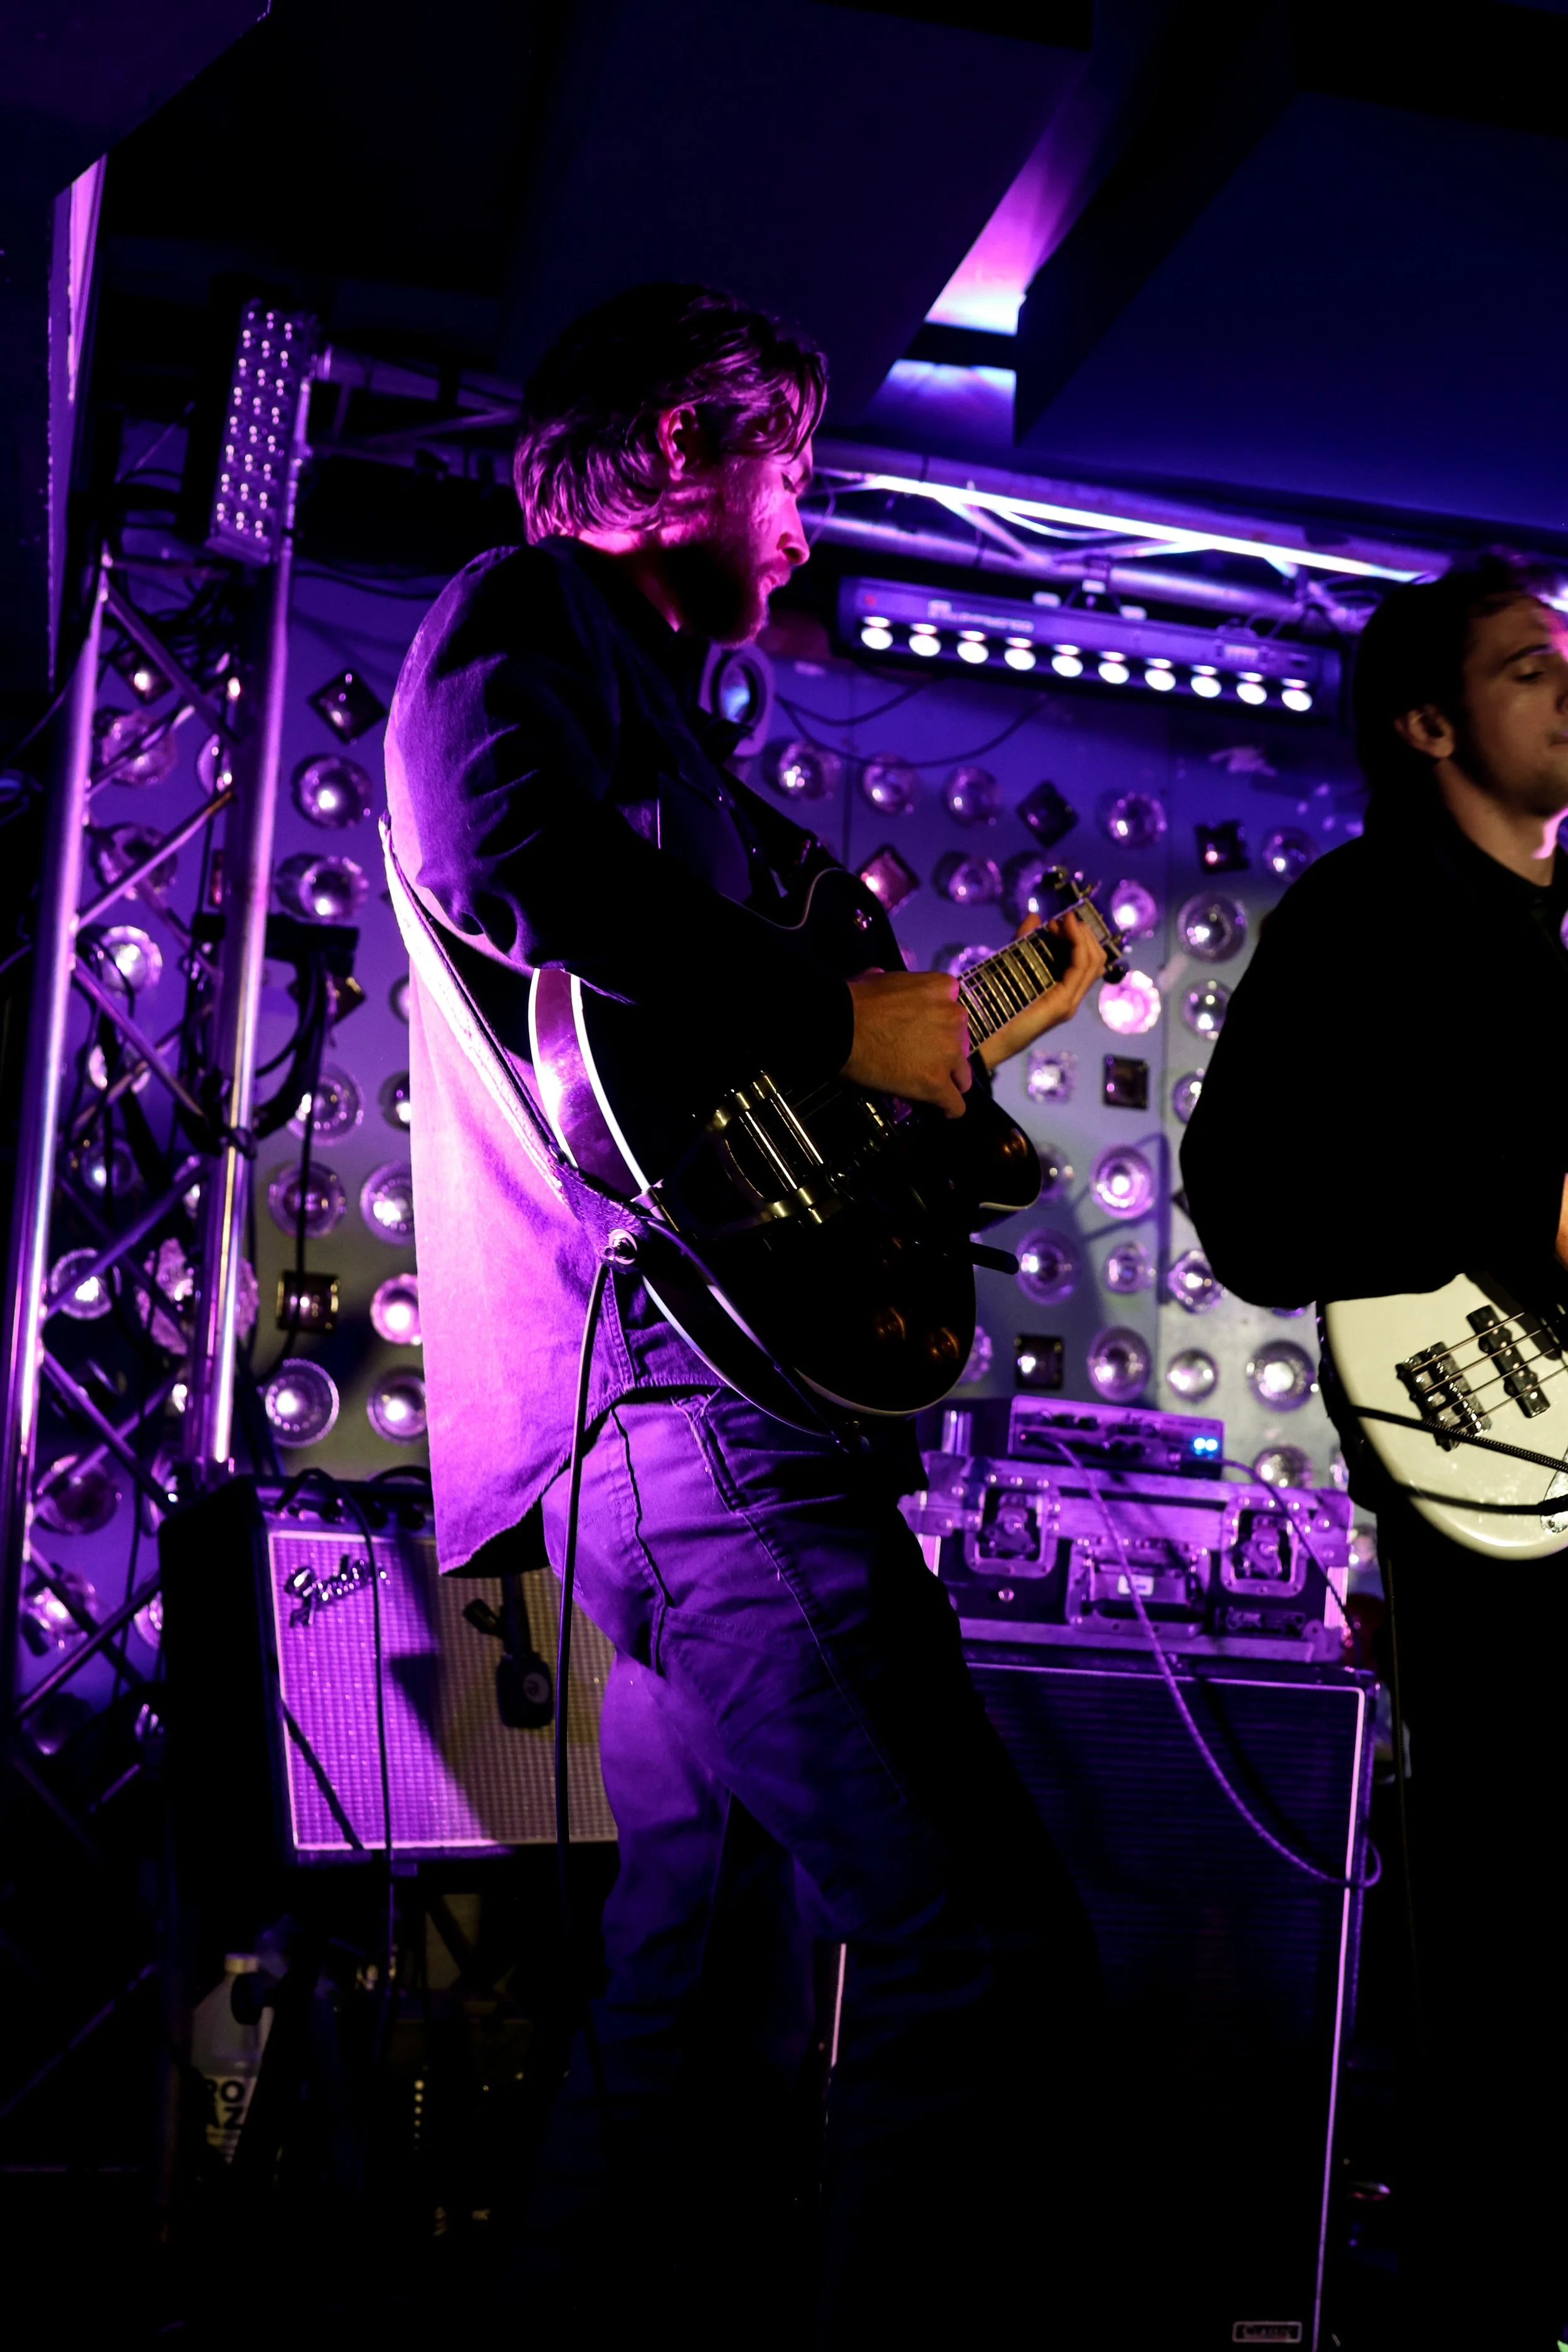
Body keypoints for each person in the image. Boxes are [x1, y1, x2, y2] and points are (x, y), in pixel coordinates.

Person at [383, 282, 1108, 2341]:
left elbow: (717, 1071)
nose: (802, 520)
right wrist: (838, 1014)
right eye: (782, 469)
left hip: (637, 1427)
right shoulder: (516, 617)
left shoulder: (674, 738)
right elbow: (515, 861)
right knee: (979, 1947)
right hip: (682, 1425)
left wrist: (925, 1128)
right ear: (668, 460)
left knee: (686, 1996)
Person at [1181, 553, 1568, 2348]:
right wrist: (1511, 1211)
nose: (1564, 692)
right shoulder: (1357, 925)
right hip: (1480, 1479)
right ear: (1427, 725)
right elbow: (1250, 1210)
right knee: (1501, 1938)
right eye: (1521, 669)